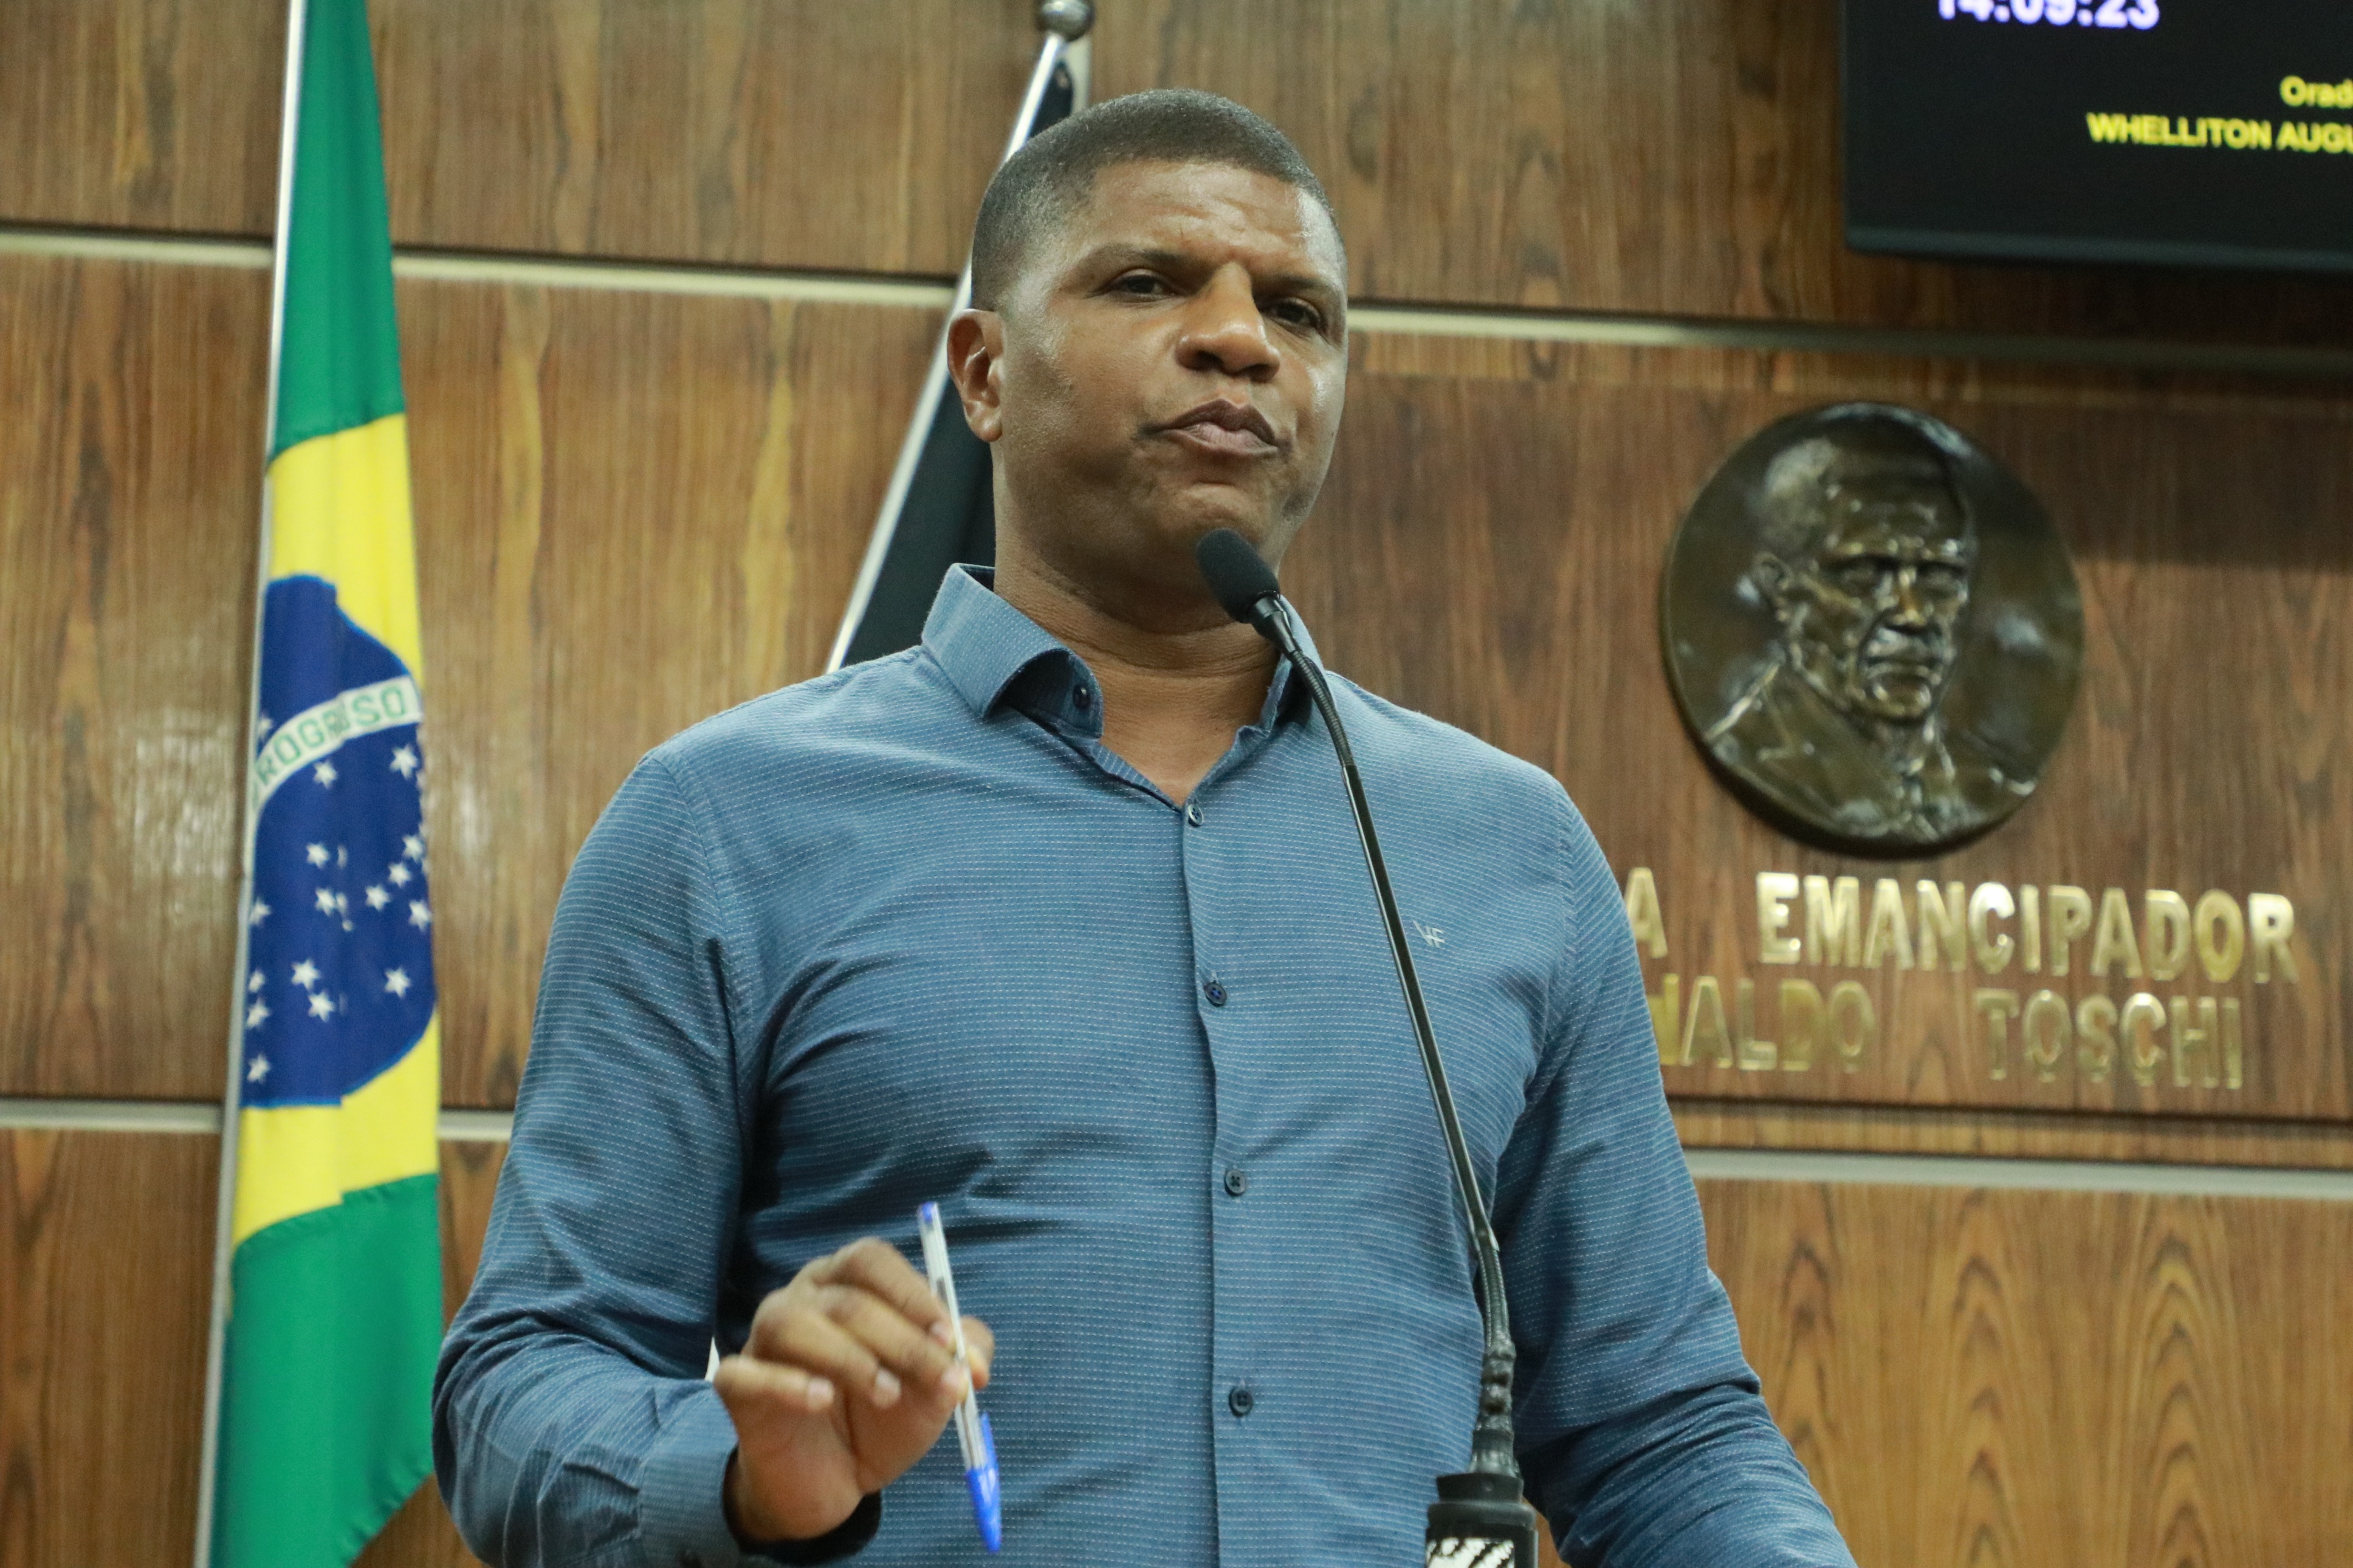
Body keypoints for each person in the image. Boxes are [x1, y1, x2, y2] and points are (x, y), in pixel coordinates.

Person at [435, 89, 1856, 1567]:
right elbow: (520, 1386)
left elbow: (1659, 1432)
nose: (1240, 338)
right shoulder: (726, 822)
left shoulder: (1511, 850)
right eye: (1147, 282)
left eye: (1297, 312)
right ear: (984, 373)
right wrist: (739, 1475)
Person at [1706, 412, 2026, 846]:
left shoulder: (1989, 785)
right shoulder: (1748, 757)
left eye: (1939, 576)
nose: (1913, 614)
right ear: (1781, 586)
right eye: (1866, 573)